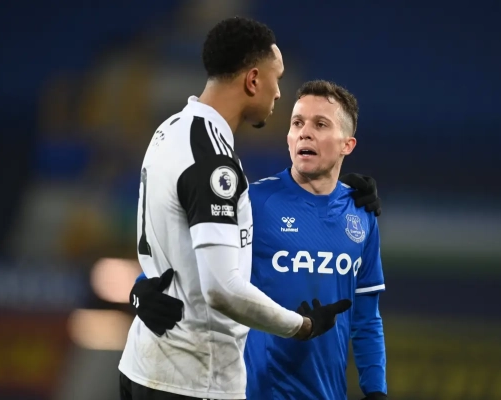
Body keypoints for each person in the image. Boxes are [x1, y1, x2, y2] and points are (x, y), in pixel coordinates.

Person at [118, 17, 353, 400]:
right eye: (277, 79)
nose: (280, 93)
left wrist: (139, 289)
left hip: (144, 364)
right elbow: (223, 290)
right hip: (194, 379)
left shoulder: (169, 130)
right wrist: (303, 326)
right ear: (253, 80)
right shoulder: (213, 161)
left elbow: (170, 242)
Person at [133, 80, 388, 400]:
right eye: (297, 123)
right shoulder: (253, 201)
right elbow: (182, 255)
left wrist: (376, 390)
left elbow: (366, 319)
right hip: (255, 391)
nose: (305, 133)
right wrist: (142, 286)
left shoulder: (362, 214)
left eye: (320, 124)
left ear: (347, 145)